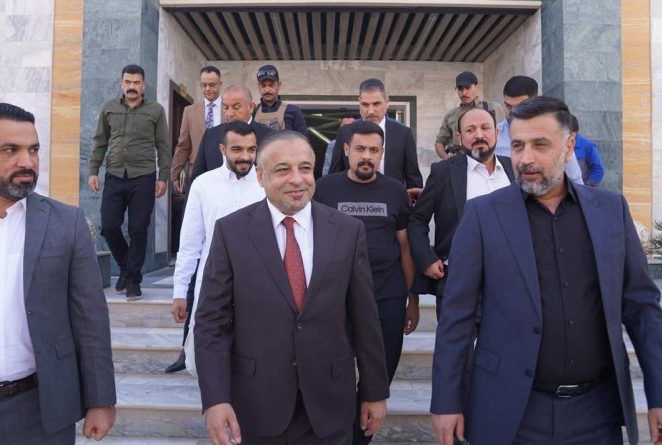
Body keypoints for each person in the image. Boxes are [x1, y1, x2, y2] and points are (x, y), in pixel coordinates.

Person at [431, 96, 662, 445]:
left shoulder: (611, 211)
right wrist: (446, 401)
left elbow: (642, 307)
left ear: (569, 146)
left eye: (540, 145)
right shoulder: (482, 216)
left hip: (597, 413)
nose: (526, 158)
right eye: (518, 146)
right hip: (510, 412)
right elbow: (457, 318)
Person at [0, 102, 116, 443]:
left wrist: (101, 399)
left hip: (40, 412)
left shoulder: (67, 224)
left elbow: (90, 319)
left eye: (33, 150)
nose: (27, 162)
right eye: (10, 150)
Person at [194, 131, 390, 444]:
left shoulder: (347, 231)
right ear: (260, 177)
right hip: (256, 405)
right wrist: (215, 399)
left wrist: (374, 391)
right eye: (283, 170)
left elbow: (365, 318)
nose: (297, 179)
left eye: (305, 168)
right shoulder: (231, 232)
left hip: (330, 404)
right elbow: (211, 323)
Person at [314, 120, 419, 444]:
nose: (366, 156)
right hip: (337, 298)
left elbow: (404, 246)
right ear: (346, 150)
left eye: (374, 150)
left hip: (386, 296)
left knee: (380, 375)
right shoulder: (324, 189)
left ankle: (359, 439)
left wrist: (412, 299)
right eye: (360, 149)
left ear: (382, 153)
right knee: (335, 373)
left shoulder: (395, 190)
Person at [165, 121, 266, 374]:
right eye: (237, 149)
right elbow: (190, 245)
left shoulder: (267, 184)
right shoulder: (203, 185)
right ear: (222, 149)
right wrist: (180, 292)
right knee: (205, 360)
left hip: (258, 289)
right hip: (212, 287)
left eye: (251, 149)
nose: (245, 156)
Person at [409, 107, 514, 320]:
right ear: (459, 137)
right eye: (470, 130)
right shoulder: (443, 172)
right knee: (455, 342)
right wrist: (426, 258)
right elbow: (417, 219)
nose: (479, 135)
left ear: (497, 133)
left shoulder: (515, 170)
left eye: (485, 128)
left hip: (509, 282)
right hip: (456, 281)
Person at [88, 63, 171, 300]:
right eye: (128, 82)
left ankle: (133, 280)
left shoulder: (155, 110)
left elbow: (163, 146)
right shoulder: (109, 108)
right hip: (114, 175)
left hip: (143, 177)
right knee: (109, 226)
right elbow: (100, 142)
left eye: (136, 83)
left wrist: (163, 177)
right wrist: (93, 171)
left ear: (143, 85)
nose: (132, 87)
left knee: (138, 229)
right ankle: (126, 267)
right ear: (121, 83)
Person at [328, 78, 423, 201]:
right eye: (365, 105)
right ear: (359, 102)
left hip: (391, 202)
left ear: (387, 102)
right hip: (352, 203)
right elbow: (335, 175)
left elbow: (413, 178)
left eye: (376, 104)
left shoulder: (403, 134)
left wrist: (412, 204)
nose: (370, 111)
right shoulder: (345, 132)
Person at [493, 75, 585, 185]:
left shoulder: (555, 132)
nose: (512, 113)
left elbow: (575, 180)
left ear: (534, 101)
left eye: (519, 107)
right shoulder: (494, 135)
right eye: (508, 106)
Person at [191, 84, 273, 180]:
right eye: (226, 108)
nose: (229, 114)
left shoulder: (269, 138)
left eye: (236, 107)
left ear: (251, 107)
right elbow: (197, 177)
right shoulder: (211, 135)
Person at [171, 65, 223, 193]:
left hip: (224, 169)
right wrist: (175, 173)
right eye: (204, 85)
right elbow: (183, 145)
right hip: (196, 170)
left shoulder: (229, 108)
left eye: (212, 85)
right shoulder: (189, 111)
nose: (207, 89)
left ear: (220, 84)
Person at [434, 71, 506, 159]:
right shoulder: (451, 115)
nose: (464, 93)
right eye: (460, 89)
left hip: (486, 159)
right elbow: (439, 142)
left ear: (476, 87)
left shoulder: (492, 108)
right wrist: (446, 158)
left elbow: (503, 137)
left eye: (468, 88)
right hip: (460, 160)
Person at [253, 64, 309, 136]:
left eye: (271, 85)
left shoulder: (293, 111)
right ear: (258, 87)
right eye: (263, 86)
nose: (267, 90)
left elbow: (304, 140)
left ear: (278, 85)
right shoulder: (253, 112)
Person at [571, 114, 606, 186]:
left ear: (575, 131)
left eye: (569, 133)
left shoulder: (587, 146)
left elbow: (598, 170)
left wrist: (586, 187)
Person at [321, 111, 356, 177]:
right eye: (345, 126)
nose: (347, 128)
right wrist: (325, 181)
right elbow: (327, 165)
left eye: (351, 125)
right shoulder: (333, 144)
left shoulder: (360, 143)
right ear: (340, 125)